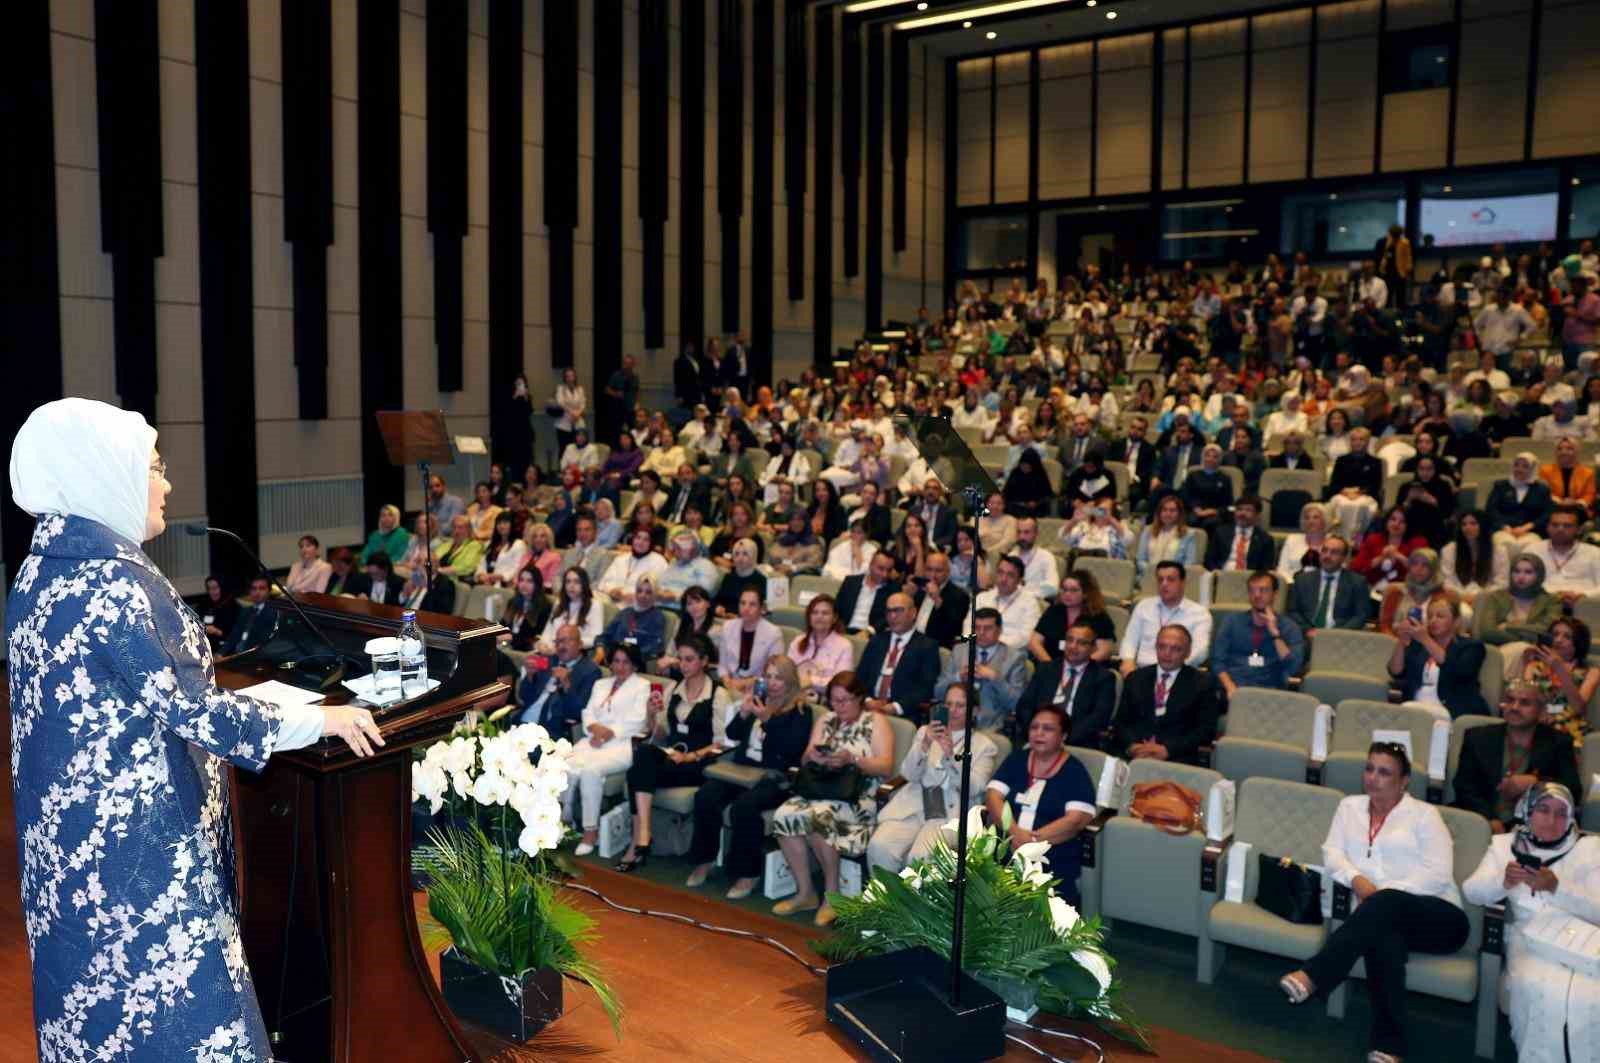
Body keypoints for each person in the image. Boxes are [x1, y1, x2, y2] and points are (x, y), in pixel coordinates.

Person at [6, 398, 382, 1062]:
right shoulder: (114, 584)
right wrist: (319, 716)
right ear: (103, 473)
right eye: (153, 465)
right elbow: (197, 711)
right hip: (142, 874)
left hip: (73, 869)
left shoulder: (40, 573)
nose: (166, 482)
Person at [1279, 743, 1469, 1063]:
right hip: (1380, 918)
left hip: (1439, 917)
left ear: (1404, 780)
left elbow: (1437, 875)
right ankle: (1389, 1047)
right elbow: (1332, 853)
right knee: (1384, 940)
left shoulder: (1424, 815)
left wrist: (1383, 893)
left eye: (1384, 772)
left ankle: (1314, 974)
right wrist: (1356, 879)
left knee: (1386, 908)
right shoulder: (1349, 808)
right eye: (1369, 769)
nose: (1373, 778)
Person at [1462, 782, 1600, 1063]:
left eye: (1561, 814)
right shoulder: (1504, 847)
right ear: (1526, 811)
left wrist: (1557, 887)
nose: (1551, 821)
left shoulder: (1589, 848)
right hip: (1530, 942)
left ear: (1572, 817)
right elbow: (1472, 891)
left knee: (1588, 1000)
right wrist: (1502, 881)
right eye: (1543, 810)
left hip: (1585, 942)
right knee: (1541, 993)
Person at [771, 672, 896, 925]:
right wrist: (815, 757)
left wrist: (854, 759)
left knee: (821, 821)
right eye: (834, 701)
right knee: (783, 816)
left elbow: (885, 767)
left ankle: (832, 897)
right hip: (820, 789)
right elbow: (806, 757)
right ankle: (805, 891)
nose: (838, 707)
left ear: (859, 698)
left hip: (857, 797)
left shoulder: (876, 721)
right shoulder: (826, 719)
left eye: (845, 700)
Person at [683, 656, 812, 898]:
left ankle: (748, 873)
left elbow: (792, 751)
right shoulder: (758, 700)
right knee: (706, 796)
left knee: (745, 807)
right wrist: (743, 713)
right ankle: (705, 859)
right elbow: (732, 734)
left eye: (779, 678)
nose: (772, 683)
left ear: (790, 682)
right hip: (742, 770)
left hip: (775, 777)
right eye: (769, 676)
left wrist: (767, 721)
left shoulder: (800, 711)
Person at [615, 634, 733, 872]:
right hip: (673, 757)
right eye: (680, 659)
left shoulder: (719, 695)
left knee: (636, 775)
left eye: (689, 660)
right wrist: (651, 714)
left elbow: (723, 743)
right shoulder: (673, 689)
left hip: (701, 763)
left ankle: (637, 844)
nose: (683, 665)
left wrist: (692, 756)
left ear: (704, 661)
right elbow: (659, 734)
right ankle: (643, 835)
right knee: (643, 756)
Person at [867, 684, 1000, 874]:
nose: (953, 711)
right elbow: (909, 774)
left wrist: (951, 756)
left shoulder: (984, 746)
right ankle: (884, 902)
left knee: (920, 857)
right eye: (948, 704)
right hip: (915, 804)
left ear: (975, 711)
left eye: (960, 705)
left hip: (949, 814)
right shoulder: (925, 732)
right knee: (880, 846)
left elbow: (974, 788)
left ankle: (912, 904)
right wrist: (924, 745)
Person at [984, 705, 1097, 903]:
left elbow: (1076, 820)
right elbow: (993, 797)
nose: (1039, 733)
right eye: (1034, 727)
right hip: (1006, 848)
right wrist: (1014, 832)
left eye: (1048, 729)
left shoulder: (1074, 771)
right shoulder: (1016, 760)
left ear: (1063, 736)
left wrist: (1032, 842)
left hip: (1051, 857)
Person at [1452, 682, 1581, 833]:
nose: (1514, 707)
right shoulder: (1477, 737)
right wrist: (1489, 819)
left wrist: (1535, 783)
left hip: (1534, 828)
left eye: (1524, 703)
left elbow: (1573, 790)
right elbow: (1464, 787)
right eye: (1510, 700)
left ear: (1541, 711)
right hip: (1480, 821)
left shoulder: (1558, 742)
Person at [563, 643, 651, 856]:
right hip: (592, 739)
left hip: (622, 745)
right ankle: (563, 821)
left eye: (626, 662)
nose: (620, 667)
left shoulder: (642, 685)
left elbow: (638, 721)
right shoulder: (601, 684)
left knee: (590, 771)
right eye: (616, 661)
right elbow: (588, 712)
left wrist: (608, 733)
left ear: (635, 664)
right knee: (563, 764)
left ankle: (590, 832)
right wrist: (595, 729)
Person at [1113, 625, 1221, 764]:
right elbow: (1121, 722)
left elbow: (1206, 730)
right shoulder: (1136, 678)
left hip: (1176, 758)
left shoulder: (1203, 683)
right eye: (1162, 646)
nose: (1167, 653)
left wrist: (1168, 750)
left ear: (1187, 652)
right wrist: (1132, 746)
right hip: (1132, 754)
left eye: (1176, 649)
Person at [1015, 622, 1118, 747]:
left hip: (1076, 743)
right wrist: (1035, 732)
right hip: (1037, 738)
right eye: (1069, 640)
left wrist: (1061, 739)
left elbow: (1099, 718)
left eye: (1082, 643)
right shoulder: (1046, 669)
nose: (1073, 647)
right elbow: (1025, 706)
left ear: (1093, 648)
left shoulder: (1103, 678)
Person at [1388, 595, 1491, 719]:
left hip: (1454, 711)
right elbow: (1396, 672)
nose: (1433, 620)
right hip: (1416, 707)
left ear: (1456, 621)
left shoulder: (1472, 647)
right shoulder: (1419, 644)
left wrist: (1425, 639)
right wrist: (1402, 641)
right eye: (1430, 616)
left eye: (1440, 616)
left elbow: (1459, 671)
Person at [1212, 571, 1307, 695]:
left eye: (1263, 590)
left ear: (1275, 594)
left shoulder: (1289, 627)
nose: (1257, 595)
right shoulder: (1232, 622)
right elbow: (1217, 661)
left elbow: (1293, 666)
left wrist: (1275, 634)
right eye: (1252, 590)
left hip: (1270, 692)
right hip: (1233, 689)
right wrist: (1230, 687)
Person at [933, 607, 1027, 731]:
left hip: (992, 727)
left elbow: (1017, 704)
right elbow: (938, 693)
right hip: (955, 725)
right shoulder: (959, 651)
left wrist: (995, 678)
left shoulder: (1015, 658)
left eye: (987, 628)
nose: (981, 633)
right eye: (977, 628)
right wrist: (957, 677)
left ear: (999, 630)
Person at [856, 593, 942, 724]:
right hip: (868, 707)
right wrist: (868, 701)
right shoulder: (877, 641)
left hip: (902, 713)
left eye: (898, 610)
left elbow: (926, 688)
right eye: (889, 611)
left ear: (913, 613)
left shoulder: (927, 646)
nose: (892, 616)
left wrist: (895, 707)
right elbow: (859, 677)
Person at [1517, 616, 1600, 748]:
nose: (1558, 640)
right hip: (1538, 723)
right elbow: (1527, 700)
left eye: (1567, 637)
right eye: (1555, 634)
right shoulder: (1534, 666)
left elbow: (1578, 708)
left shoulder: (1591, 672)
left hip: (1571, 727)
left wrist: (1559, 669)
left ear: (1578, 643)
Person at [1118, 561, 1212, 671]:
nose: (1164, 584)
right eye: (1160, 580)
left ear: (1183, 583)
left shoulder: (1199, 613)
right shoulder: (1144, 606)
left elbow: (1200, 652)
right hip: (1142, 671)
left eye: (1170, 579)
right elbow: (1129, 640)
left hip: (1179, 672)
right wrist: (1128, 661)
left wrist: (1172, 667)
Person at [515, 622, 601, 734]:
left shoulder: (590, 671)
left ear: (580, 644)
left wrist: (566, 685)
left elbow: (579, 712)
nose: (560, 646)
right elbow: (524, 697)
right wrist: (530, 677)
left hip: (552, 732)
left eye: (565, 641)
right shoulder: (548, 660)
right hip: (522, 723)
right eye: (557, 642)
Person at [1029, 570, 1116, 664]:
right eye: (1064, 589)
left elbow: (1104, 651)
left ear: (1086, 593)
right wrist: (1050, 665)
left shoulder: (1099, 616)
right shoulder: (1054, 610)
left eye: (1074, 590)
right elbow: (1035, 642)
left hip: (1085, 670)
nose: (1067, 594)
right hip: (1051, 665)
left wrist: (1077, 667)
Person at [1477, 553, 1564, 647]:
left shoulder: (1552, 601)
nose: (1521, 577)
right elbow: (1487, 632)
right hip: (1499, 649)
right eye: (1516, 571)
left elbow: (1546, 630)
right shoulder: (1496, 597)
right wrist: (1524, 639)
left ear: (1539, 575)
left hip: (1535, 651)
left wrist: (1508, 626)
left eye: (1528, 572)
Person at [1526, 504, 1600, 605]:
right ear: (1547, 528)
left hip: (1584, 605)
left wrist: (1584, 595)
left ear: (1578, 529)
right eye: (1555, 525)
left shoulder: (1594, 553)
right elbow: (1522, 583)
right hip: (1543, 604)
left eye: (1567, 525)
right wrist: (1552, 595)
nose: (1560, 529)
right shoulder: (1532, 551)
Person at [968, 555, 1045, 652]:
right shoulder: (981, 598)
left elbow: (1026, 637)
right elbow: (968, 627)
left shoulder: (1029, 603)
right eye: (1000, 572)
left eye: (1010, 575)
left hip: (1009, 654)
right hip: (977, 649)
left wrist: (994, 644)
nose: (1003, 579)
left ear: (1020, 580)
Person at [717, 587, 784, 696]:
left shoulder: (773, 633)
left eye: (752, 604)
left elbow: (773, 672)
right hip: (730, 685)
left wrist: (744, 683)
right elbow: (722, 665)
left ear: (761, 608)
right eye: (743, 603)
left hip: (759, 687)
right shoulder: (728, 626)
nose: (746, 608)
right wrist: (727, 681)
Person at [1352, 506, 1428, 597]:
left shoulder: (1418, 542)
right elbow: (1356, 567)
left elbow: (1421, 571)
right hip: (1371, 591)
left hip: (1403, 594)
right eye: (1393, 519)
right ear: (1386, 521)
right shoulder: (1373, 539)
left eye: (1402, 522)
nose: (1396, 524)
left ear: (1408, 525)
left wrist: (1398, 556)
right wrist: (1380, 558)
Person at [1439, 510, 1506, 611]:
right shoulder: (1448, 550)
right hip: (1458, 598)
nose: (1468, 528)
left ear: (1483, 525)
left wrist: (1479, 597)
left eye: (1473, 523)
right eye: (1464, 524)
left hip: (1488, 599)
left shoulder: (1499, 550)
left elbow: (1502, 583)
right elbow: (1447, 581)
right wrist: (1463, 597)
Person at [1487, 452, 1555, 551]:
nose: (1519, 469)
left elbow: (1547, 513)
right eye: (1516, 465)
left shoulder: (1542, 489)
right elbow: (1491, 510)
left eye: (1525, 466)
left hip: (1531, 531)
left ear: (1532, 469)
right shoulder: (1500, 486)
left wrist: (1528, 527)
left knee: (1529, 546)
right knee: (1505, 544)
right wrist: (1504, 526)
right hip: (1503, 530)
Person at [1377, 549, 1454, 635]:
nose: (1419, 569)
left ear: (1434, 569)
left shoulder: (1444, 594)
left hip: (1430, 644)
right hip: (1396, 643)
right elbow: (1385, 627)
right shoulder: (1395, 591)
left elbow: (1447, 632)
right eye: (1414, 564)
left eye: (1425, 565)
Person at [789, 594, 855, 695]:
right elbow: (786, 673)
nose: (819, 616)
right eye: (815, 612)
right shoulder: (797, 641)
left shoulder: (844, 646)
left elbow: (840, 684)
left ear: (834, 618)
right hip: (795, 695)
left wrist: (810, 681)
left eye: (825, 613)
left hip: (827, 699)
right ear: (809, 617)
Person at [909, 551, 971, 649]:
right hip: (911, 642)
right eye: (929, 570)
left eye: (938, 571)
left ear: (948, 572)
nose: (933, 575)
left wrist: (937, 600)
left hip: (936, 647)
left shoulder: (959, 596)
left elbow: (953, 630)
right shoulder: (919, 591)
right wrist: (908, 597)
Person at [536, 566, 606, 650]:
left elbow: (595, 638)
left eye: (577, 582)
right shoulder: (559, 602)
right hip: (551, 651)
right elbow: (548, 631)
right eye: (568, 582)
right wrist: (543, 645)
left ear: (584, 584)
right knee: (529, 661)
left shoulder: (594, 605)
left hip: (575, 653)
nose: (571, 586)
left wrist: (567, 644)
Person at [1135, 493, 1199, 583]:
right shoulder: (1147, 531)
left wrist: (1169, 576)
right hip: (1148, 578)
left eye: (1172, 510)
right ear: (1159, 512)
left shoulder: (1188, 535)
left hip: (1174, 581)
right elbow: (1140, 559)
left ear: (1179, 513)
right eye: (1164, 510)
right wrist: (1155, 573)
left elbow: (1189, 564)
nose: (1168, 513)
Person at [836, 549, 899, 635]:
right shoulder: (850, 582)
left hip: (871, 634)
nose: (885, 574)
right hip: (844, 629)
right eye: (881, 569)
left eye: (889, 570)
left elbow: (889, 617)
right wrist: (838, 625)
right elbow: (837, 607)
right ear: (871, 565)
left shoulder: (893, 589)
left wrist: (870, 630)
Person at [1204, 495, 1274, 572]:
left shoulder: (1265, 539)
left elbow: (1266, 568)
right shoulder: (1221, 532)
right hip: (1222, 575)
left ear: (1257, 515)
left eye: (1248, 510)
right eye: (1239, 509)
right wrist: (1216, 572)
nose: (1242, 513)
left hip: (1249, 578)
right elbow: (1209, 559)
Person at [1540, 437, 1597, 518]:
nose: (1564, 452)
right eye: (1559, 449)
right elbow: (1545, 492)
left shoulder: (1588, 473)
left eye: (1569, 449)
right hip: (1554, 507)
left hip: (1579, 508)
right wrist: (1560, 501)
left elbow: (1589, 494)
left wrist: (1576, 503)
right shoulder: (1545, 471)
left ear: (1576, 451)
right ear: (1555, 452)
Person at [221, 576, 278, 655]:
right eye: (254, 589)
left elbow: (268, 640)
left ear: (269, 591)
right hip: (238, 654)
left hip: (259, 655)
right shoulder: (245, 611)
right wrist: (221, 653)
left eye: (261, 588)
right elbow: (234, 635)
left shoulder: (275, 611)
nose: (257, 592)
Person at [498, 568, 551, 652]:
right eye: (521, 580)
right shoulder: (513, 602)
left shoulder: (544, 607)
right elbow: (502, 624)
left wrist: (511, 638)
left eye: (529, 581)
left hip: (527, 650)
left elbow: (536, 638)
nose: (524, 584)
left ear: (537, 584)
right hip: (506, 645)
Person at [711, 537, 768, 617]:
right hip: (724, 619)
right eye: (736, 554)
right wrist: (717, 608)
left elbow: (762, 610)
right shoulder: (729, 577)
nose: (740, 558)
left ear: (753, 557)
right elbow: (716, 600)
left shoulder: (761, 580)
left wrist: (738, 616)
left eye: (745, 554)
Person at [434, 514, 486, 580]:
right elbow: (433, 558)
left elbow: (467, 567)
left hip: (455, 579)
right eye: (454, 527)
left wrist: (440, 571)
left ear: (468, 529)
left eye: (460, 528)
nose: (456, 531)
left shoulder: (475, 545)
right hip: (437, 576)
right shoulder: (446, 544)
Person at [198, 574, 240, 651]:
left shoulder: (232, 606)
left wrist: (217, 631)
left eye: (215, 588)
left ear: (222, 587)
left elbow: (236, 633)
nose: (212, 592)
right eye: (209, 589)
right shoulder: (204, 604)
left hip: (226, 647)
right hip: (206, 646)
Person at [554, 366, 588, 453]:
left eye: (572, 376)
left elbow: (583, 403)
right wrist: (573, 413)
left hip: (578, 422)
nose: (570, 378)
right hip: (564, 424)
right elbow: (561, 403)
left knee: (579, 449)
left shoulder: (580, 389)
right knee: (564, 450)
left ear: (575, 377)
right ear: (565, 378)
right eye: (568, 376)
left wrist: (578, 413)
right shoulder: (561, 388)